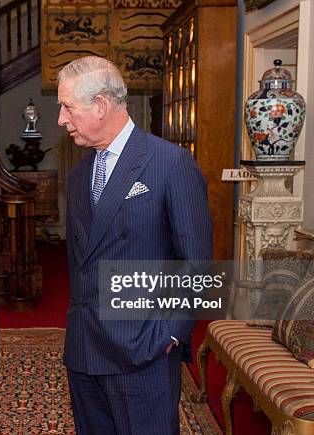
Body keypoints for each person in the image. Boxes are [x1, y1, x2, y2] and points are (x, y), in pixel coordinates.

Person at [57, 56, 212, 434]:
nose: (61, 119)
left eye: (66, 107)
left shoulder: (170, 163)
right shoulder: (79, 177)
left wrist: (169, 336)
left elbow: (197, 263)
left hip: (143, 352)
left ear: (100, 105)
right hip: (85, 350)